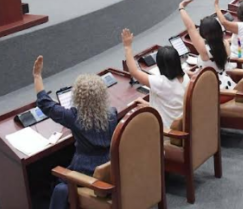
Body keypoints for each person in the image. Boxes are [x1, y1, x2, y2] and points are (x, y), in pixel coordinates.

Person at [31, 56, 118, 209]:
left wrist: (37, 76)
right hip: (110, 168)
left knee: (60, 186)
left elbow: (46, 104)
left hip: (85, 173)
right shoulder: (112, 113)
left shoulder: (74, 117)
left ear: (78, 97)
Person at [122, 28, 189, 128]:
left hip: (166, 131)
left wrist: (127, 46)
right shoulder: (186, 77)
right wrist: (150, 105)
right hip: (181, 125)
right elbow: (172, 104)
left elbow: (134, 71)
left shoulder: (161, 83)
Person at [178, 0, 237, 90]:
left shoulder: (204, 49)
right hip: (227, 86)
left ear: (203, 33)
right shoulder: (225, 43)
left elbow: (190, 27)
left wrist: (181, 8)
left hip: (211, 90)